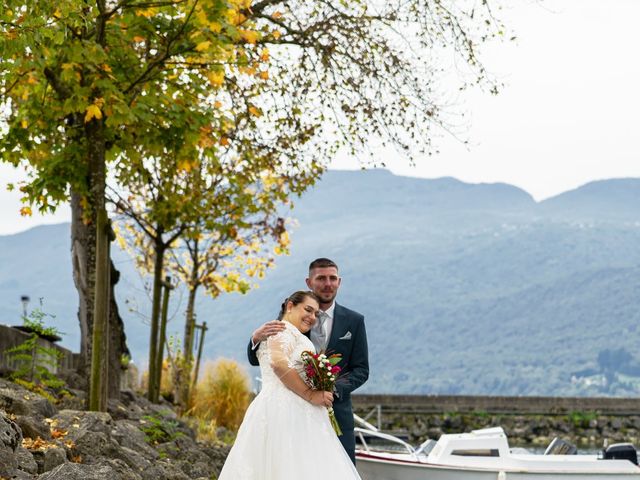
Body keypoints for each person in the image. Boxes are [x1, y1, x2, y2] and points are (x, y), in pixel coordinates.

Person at [219, 291, 361, 480]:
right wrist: (311, 394)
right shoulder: (282, 330)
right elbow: (278, 363)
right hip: (285, 410)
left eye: (315, 314)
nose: (312, 317)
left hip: (296, 410)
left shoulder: (291, 333)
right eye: (308, 310)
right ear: (290, 306)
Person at [247, 258, 369, 463]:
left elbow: (361, 369)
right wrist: (255, 339)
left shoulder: (355, 321)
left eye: (332, 278)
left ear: (339, 282)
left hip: (336, 412)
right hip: (292, 413)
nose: (327, 284)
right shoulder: (294, 314)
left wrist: (331, 388)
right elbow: (268, 356)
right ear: (309, 282)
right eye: (321, 278)